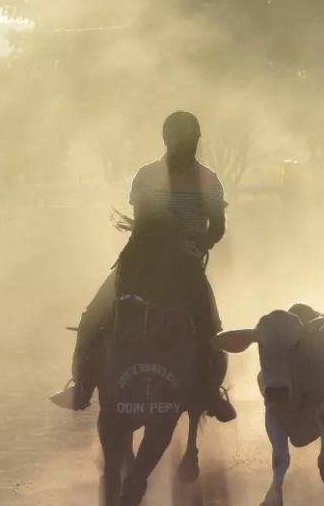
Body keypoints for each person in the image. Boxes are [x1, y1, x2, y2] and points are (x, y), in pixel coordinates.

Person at [56, 111, 236, 422]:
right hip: (142, 258)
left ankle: (210, 392)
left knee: (210, 327)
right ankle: (81, 385)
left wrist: (200, 245)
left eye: (191, 141)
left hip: (186, 265)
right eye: (182, 141)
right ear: (167, 140)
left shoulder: (209, 179)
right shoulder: (146, 176)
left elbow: (217, 226)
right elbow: (143, 223)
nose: (187, 147)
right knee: (91, 318)